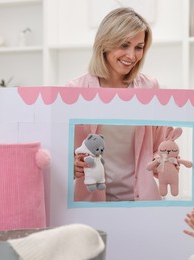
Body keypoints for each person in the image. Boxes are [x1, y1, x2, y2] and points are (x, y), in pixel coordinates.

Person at [66, 7, 167, 202]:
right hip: (91, 198)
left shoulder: (150, 87)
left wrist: (161, 160)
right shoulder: (75, 89)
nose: (131, 55)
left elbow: (160, 144)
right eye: (124, 45)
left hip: (141, 199)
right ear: (105, 44)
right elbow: (63, 152)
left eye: (139, 47)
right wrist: (72, 165)